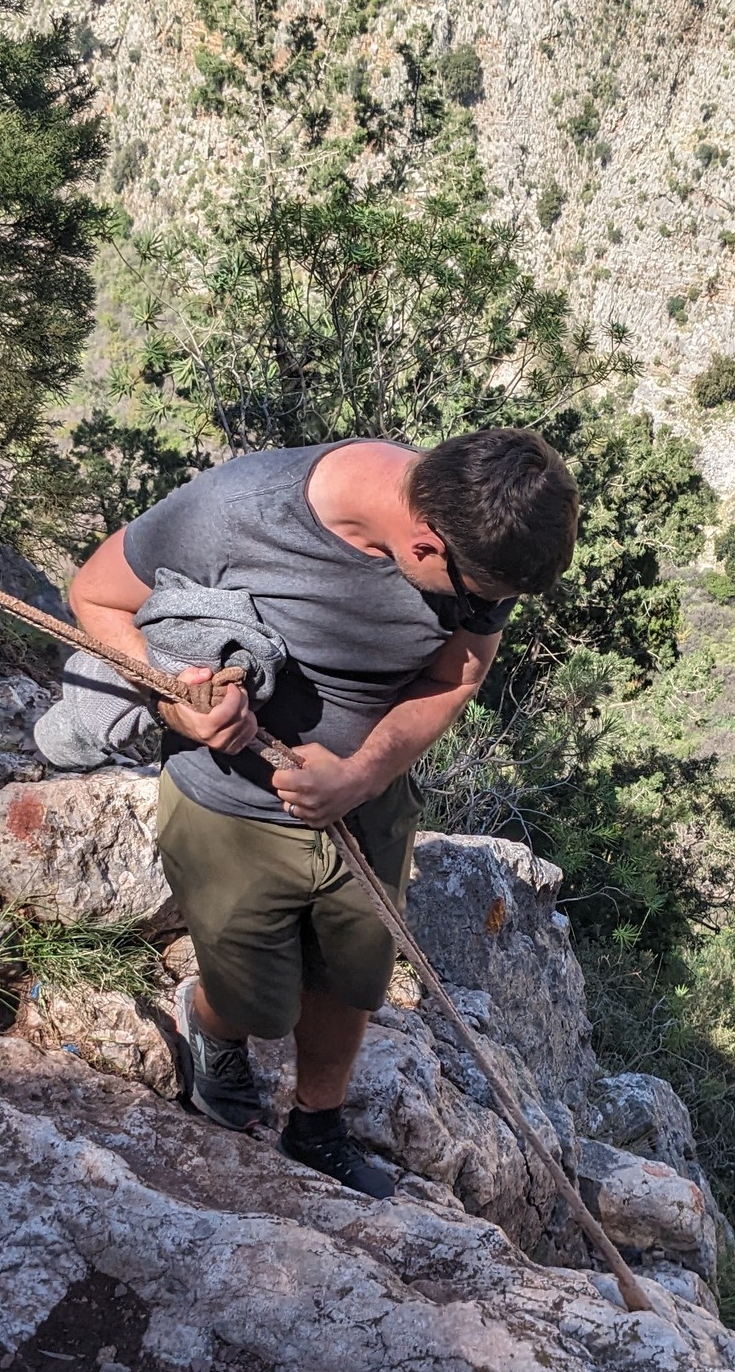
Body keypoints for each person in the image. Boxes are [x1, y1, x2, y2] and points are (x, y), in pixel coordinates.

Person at [61, 427, 580, 1195]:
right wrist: (183, 698)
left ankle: (317, 1124)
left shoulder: (478, 534)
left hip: (366, 804)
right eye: (479, 597)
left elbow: (459, 672)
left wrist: (364, 771)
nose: (483, 615)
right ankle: (212, 1024)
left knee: (352, 975)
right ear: (427, 546)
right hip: (232, 806)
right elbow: (94, 596)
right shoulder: (243, 508)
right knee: (256, 1000)